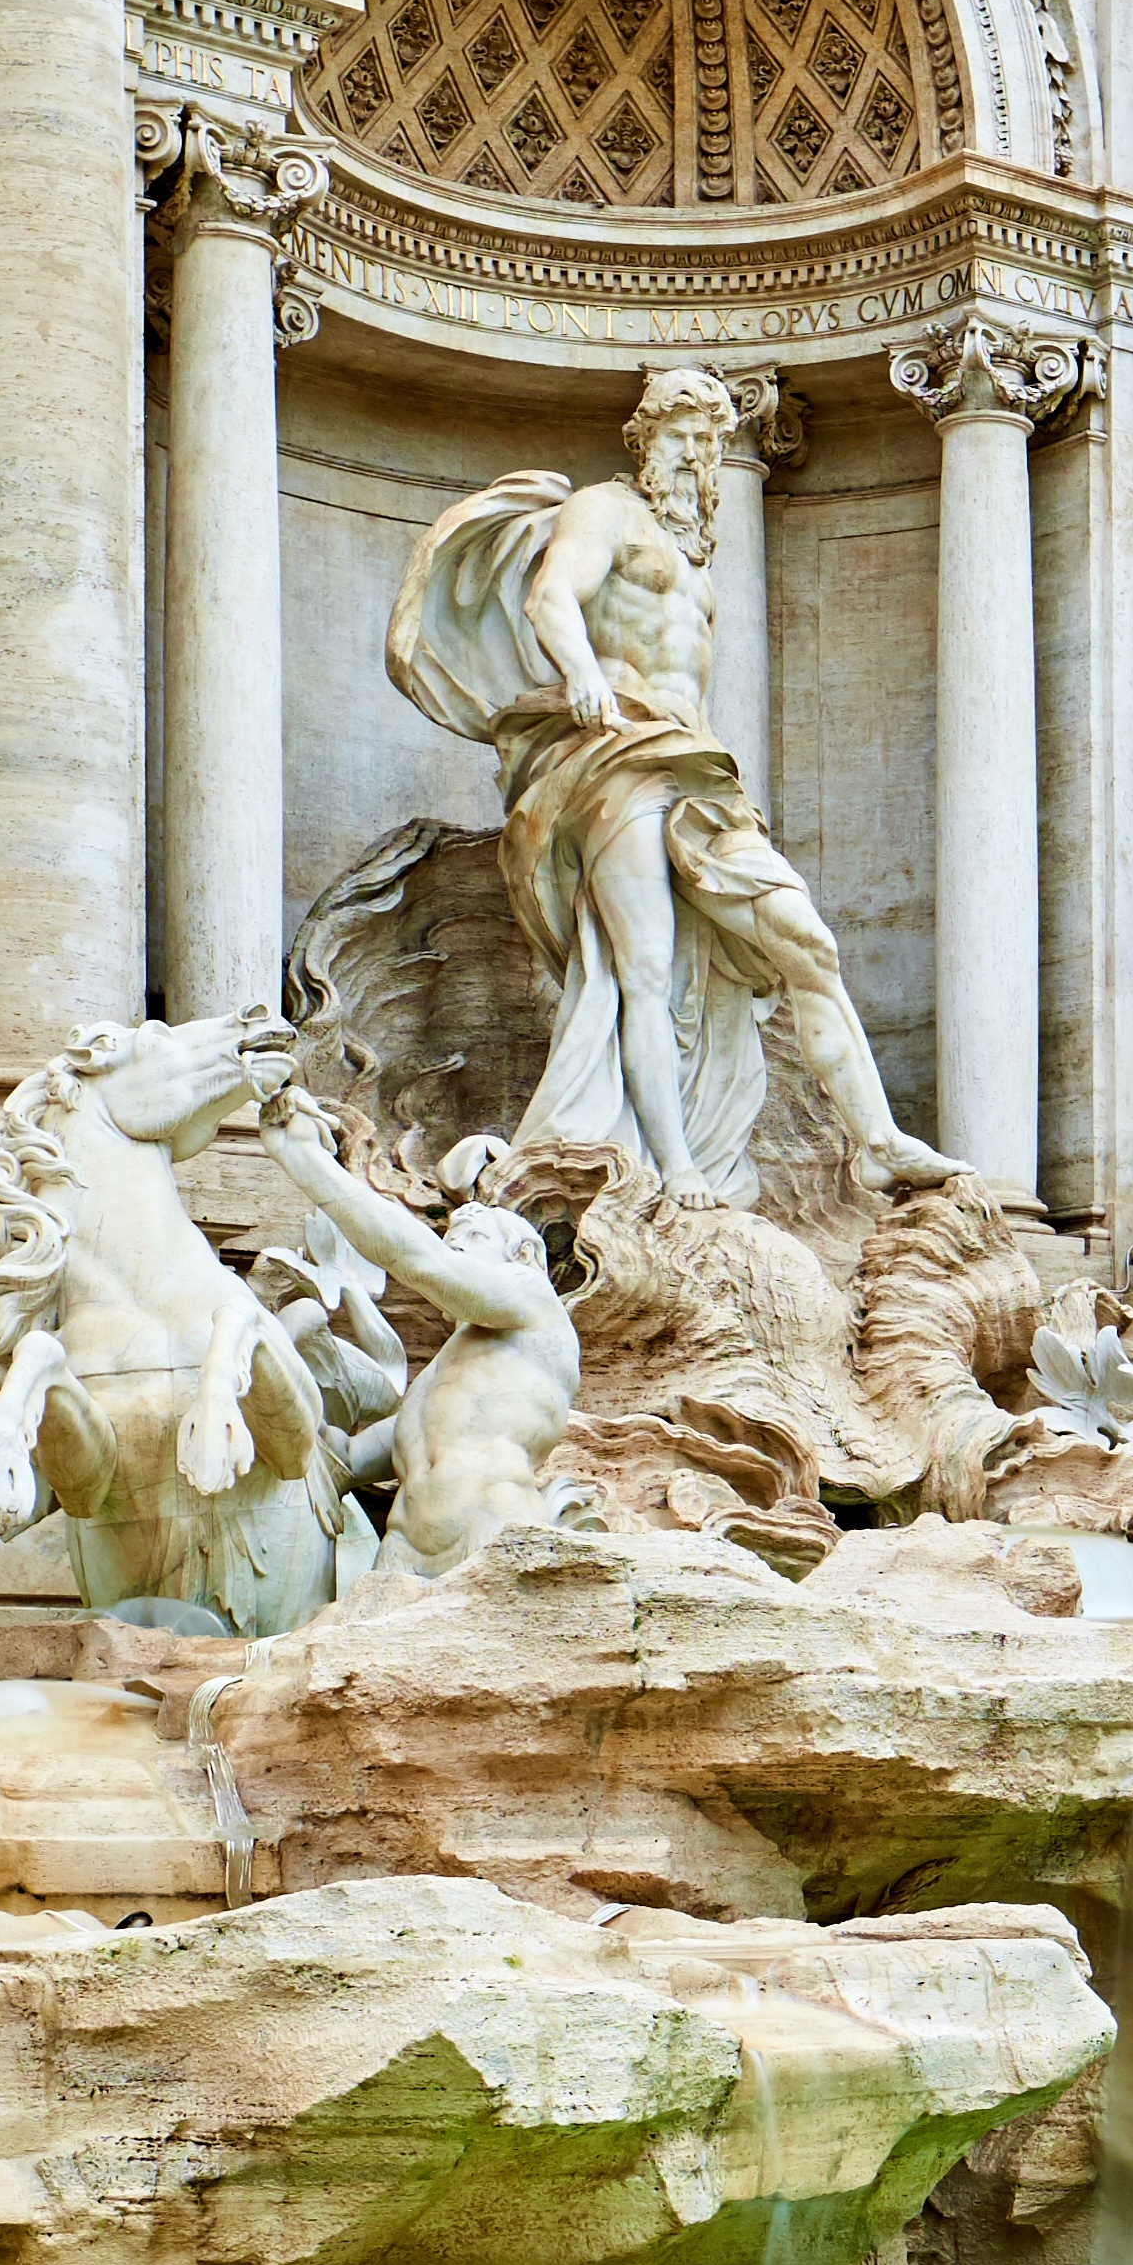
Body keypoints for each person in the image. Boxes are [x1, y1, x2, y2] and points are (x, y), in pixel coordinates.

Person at [382, 371, 959, 1203]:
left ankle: (876, 1140)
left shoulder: (694, 553)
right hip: (616, 755)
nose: (695, 455)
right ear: (644, 440)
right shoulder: (606, 510)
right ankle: (672, 1167)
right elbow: (551, 596)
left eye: (707, 440)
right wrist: (581, 672)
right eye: (680, 435)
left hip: (696, 766)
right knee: (642, 970)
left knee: (809, 944)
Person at [259, 1100, 583, 1577]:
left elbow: (423, 1262)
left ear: (525, 1254)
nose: (453, 1245)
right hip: (403, 1549)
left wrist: (305, 1159)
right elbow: (348, 1459)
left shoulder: (535, 1302)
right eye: (450, 1237)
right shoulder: (447, 1372)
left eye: (471, 1236)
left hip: (492, 1529)